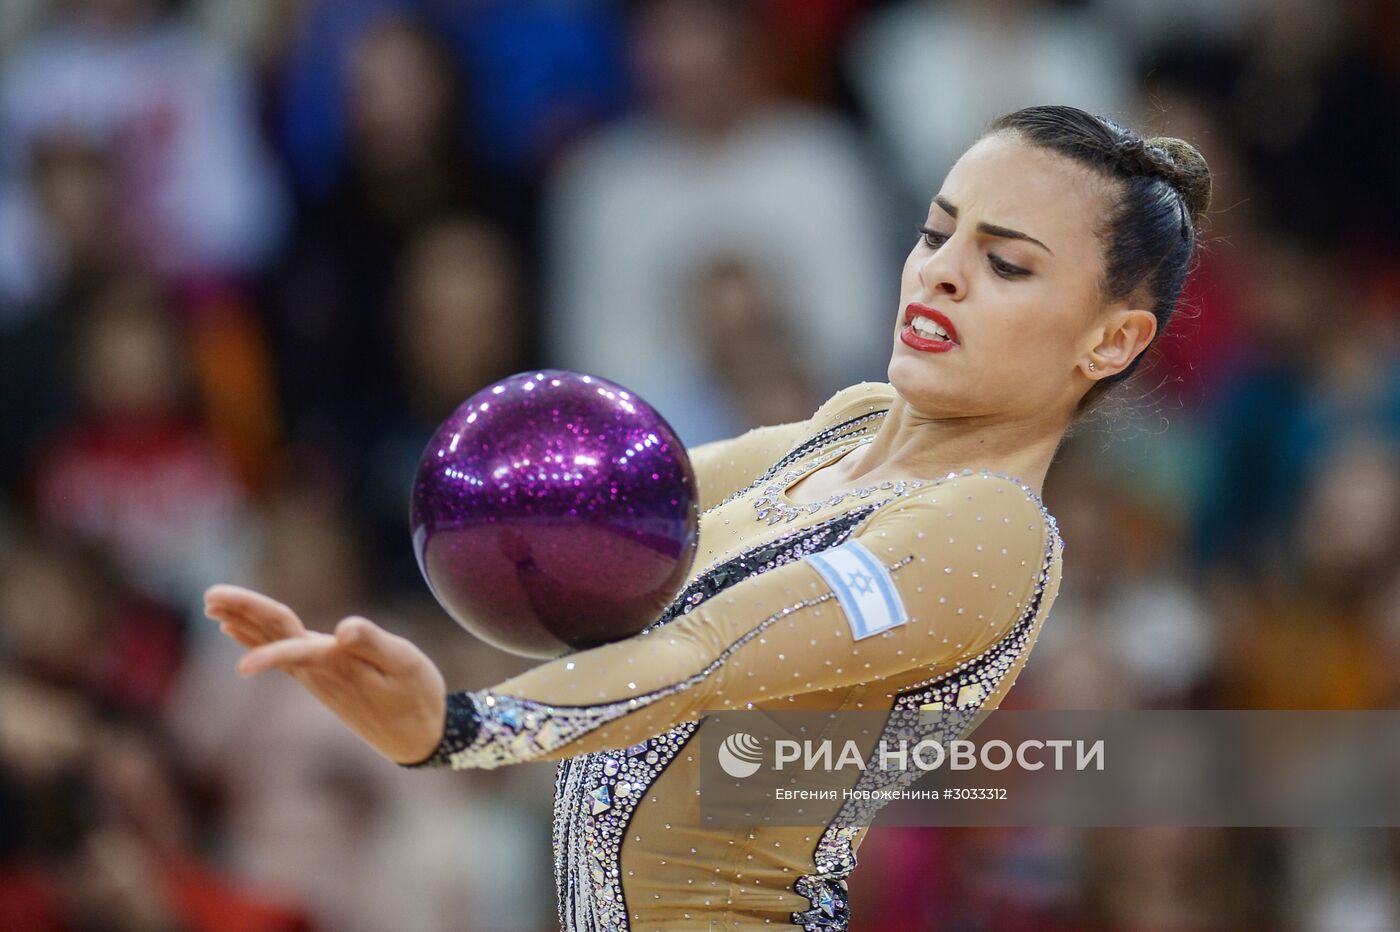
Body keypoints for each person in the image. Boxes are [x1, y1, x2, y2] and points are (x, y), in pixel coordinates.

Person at [205, 105, 1212, 930]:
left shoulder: (992, 530)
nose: (939, 269)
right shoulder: (844, 427)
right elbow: (578, 522)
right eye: (935, 228)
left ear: (1109, 339)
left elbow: (707, 650)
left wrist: (465, 728)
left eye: (1006, 263)